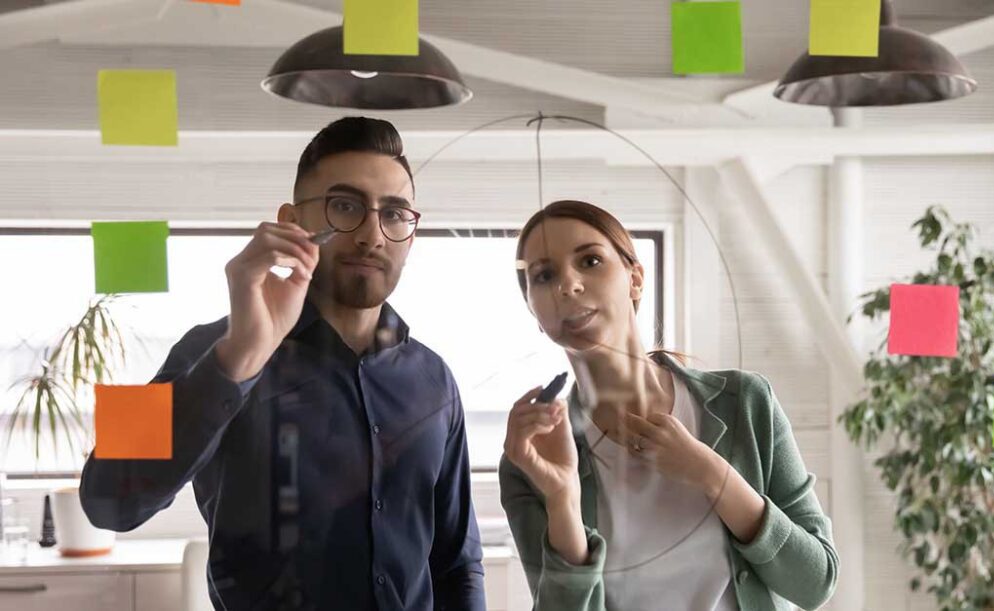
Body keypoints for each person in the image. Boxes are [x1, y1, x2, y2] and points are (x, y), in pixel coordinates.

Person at [80, 117, 485, 611]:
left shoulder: (435, 378)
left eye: (395, 214)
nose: (372, 235)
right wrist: (238, 358)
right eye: (345, 206)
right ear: (292, 221)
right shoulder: (207, 348)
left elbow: (457, 561)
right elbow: (104, 500)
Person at [499, 200, 838, 610]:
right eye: (544, 275)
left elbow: (816, 583)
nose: (567, 285)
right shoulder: (531, 458)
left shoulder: (745, 403)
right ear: (535, 313)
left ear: (635, 278)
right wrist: (562, 499)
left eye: (589, 260)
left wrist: (713, 474)